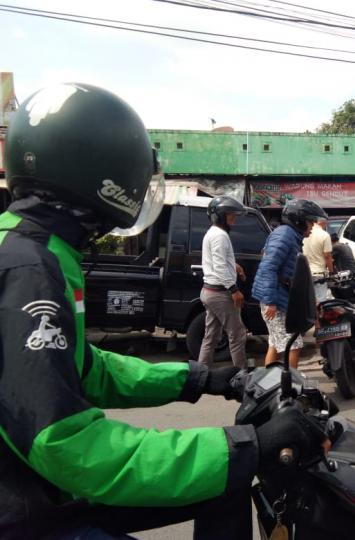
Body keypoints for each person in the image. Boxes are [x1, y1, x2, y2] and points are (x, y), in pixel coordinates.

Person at [0, 83, 327, 539]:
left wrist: (203, 379)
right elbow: (65, 446)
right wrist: (243, 447)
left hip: (35, 490)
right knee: (226, 467)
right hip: (26, 512)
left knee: (223, 486)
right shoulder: (30, 267)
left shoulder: (32, 247)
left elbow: (84, 368)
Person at [252, 199, 328, 368]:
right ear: (299, 221)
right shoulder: (284, 236)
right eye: (311, 222)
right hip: (274, 301)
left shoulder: (290, 236)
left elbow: (294, 276)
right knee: (294, 344)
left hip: (278, 298)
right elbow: (268, 267)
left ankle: (269, 379)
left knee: (274, 342)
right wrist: (270, 301)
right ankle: (291, 382)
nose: (312, 226)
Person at [198, 195, 248, 367]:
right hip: (220, 293)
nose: (234, 217)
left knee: (211, 335)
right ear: (219, 215)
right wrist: (234, 290)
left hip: (209, 292)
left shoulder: (213, 233)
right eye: (230, 214)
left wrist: (234, 265)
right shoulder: (220, 236)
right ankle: (242, 376)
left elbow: (217, 260)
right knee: (238, 334)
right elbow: (219, 266)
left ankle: (201, 371)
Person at [302, 217, 333, 303]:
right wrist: (331, 272)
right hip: (319, 273)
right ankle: (318, 316)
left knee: (308, 301)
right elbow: (327, 256)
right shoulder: (324, 235)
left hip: (305, 272)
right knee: (320, 302)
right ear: (324, 223)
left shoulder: (305, 233)